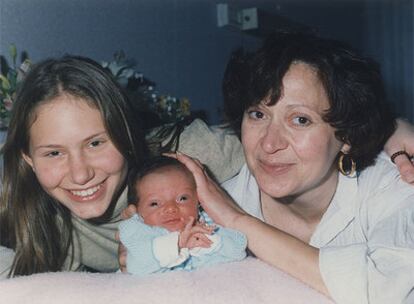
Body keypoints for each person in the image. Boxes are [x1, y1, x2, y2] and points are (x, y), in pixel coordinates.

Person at [1, 47, 414, 280]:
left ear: (127, 135)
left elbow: (280, 139)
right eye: (54, 152)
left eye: (96, 142)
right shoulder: (31, 217)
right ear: (27, 158)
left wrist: (391, 131)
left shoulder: (194, 159)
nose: (80, 173)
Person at [169, 31, 414, 304]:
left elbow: (390, 292)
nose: (270, 144)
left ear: (346, 136)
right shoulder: (212, 209)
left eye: (300, 120)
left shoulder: (394, 186)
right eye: (258, 114)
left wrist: (239, 222)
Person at [119, 156, 246, 276]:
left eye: (182, 198)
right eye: (155, 203)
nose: (170, 208)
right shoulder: (136, 232)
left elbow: (238, 250)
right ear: (137, 212)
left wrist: (205, 241)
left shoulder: (208, 223)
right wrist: (178, 243)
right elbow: (136, 265)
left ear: (198, 201)